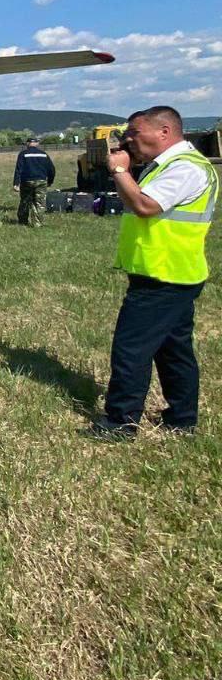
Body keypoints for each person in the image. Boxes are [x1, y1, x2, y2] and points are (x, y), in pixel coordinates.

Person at [93, 106, 217, 437]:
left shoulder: (185, 169)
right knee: (174, 351)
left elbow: (145, 206)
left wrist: (120, 172)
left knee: (131, 349)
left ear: (164, 132)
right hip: (172, 273)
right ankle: (182, 418)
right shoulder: (165, 167)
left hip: (163, 277)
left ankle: (121, 422)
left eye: (135, 133)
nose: (129, 140)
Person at [12, 136, 56, 227]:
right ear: (37, 144)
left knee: (25, 201)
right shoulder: (44, 154)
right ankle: (37, 223)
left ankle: (23, 222)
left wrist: (16, 183)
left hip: (27, 182)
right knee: (39, 203)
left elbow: (18, 170)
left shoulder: (23, 154)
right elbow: (51, 169)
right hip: (41, 181)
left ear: (27, 144)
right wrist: (50, 181)